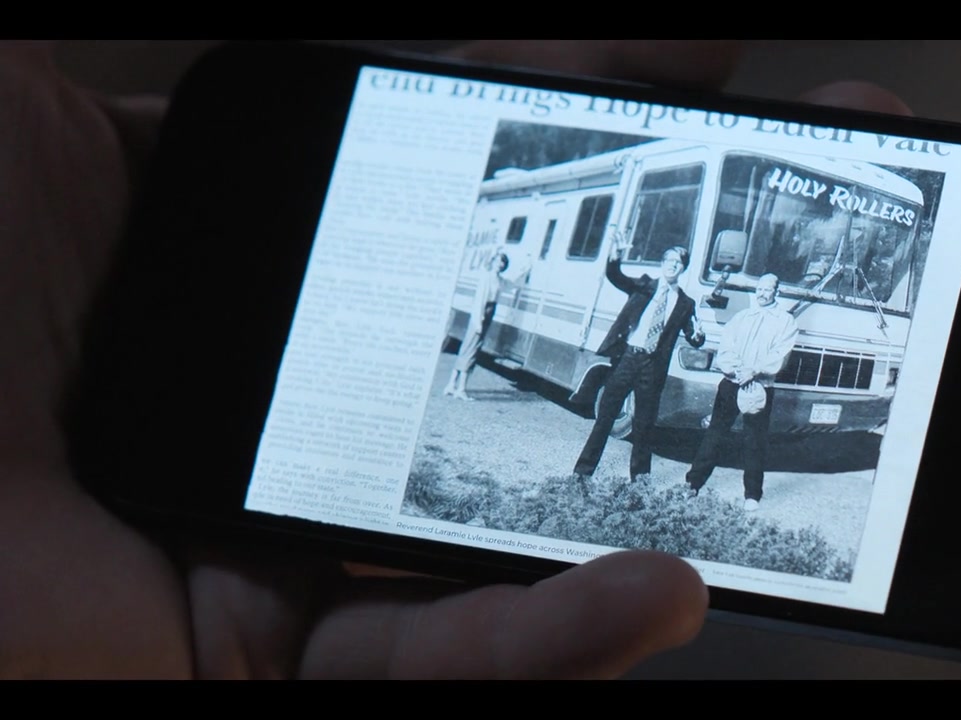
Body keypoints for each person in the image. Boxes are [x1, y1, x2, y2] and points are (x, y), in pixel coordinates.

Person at [0, 39, 908, 678]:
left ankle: (632, 482)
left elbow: (697, 329)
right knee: (608, 420)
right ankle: (596, 473)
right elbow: (623, 272)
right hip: (632, 361)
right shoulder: (646, 278)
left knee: (633, 436)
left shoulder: (703, 304)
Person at [573, 241, 706, 483]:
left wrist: (699, 335)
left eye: (678, 263)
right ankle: (582, 474)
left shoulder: (686, 303)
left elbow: (694, 337)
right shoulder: (644, 286)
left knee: (644, 427)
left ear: (683, 268)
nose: (673, 266)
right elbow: (615, 276)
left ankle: (640, 483)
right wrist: (615, 256)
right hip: (628, 359)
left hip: (653, 367)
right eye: (669, 261)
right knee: (605, 419)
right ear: (662, 264)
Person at [685, 274, 799, 512]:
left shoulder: (785, 322)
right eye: (760, 289)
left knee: (755, 441)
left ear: (777, 292)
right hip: (732, 383)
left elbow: (780, 354)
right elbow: (727, 347)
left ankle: (752, 495)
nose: (762, 293)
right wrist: (738, 370)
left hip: (760, 387)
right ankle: (691, 486)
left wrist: (754, 371)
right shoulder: (741, 317)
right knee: (715, 434)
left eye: (768, 289)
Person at [444, 248, 516, 401]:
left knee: (467, 348)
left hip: (489, 314)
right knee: (471, 350)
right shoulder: (487, 278)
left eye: (503, 262)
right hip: (481, 315)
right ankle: (460, 389)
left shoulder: (500, 280)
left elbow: (512, 284)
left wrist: (524, 269)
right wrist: (478, 321)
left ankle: (451, 385)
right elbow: (479, 301)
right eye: (498, 261)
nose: (500, 264)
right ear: (493, 262)